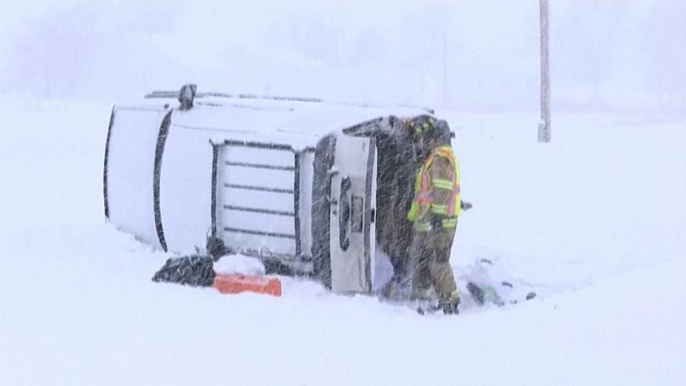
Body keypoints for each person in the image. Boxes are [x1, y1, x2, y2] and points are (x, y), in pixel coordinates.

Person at [404, 115, 470, 314]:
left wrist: (437, 218)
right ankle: (435, 297)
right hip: (434, 221)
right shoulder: (436, 157)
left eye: (429, 138)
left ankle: (451, 300)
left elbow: (442, 188)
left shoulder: (441, 157)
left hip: (441, 222)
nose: (425, 142)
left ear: (437, 138)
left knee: (438, 262)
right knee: (430, 261)